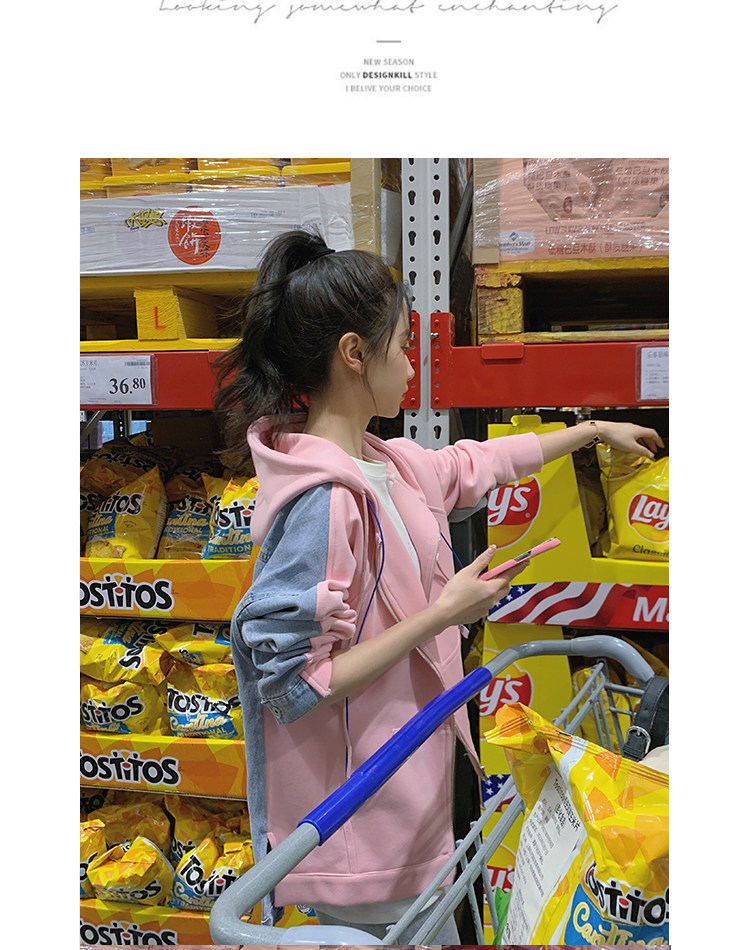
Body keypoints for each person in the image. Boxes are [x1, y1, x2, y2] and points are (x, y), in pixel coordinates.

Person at [214, 229, 663, 942]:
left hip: (415, 797)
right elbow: (295, 686)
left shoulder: (386, 462)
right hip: (361, 827)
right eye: (401, 346)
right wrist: (444, 612)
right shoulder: (322, 501)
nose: (411, 365)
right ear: (354, 353)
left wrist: (591, 431)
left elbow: (473, 464)